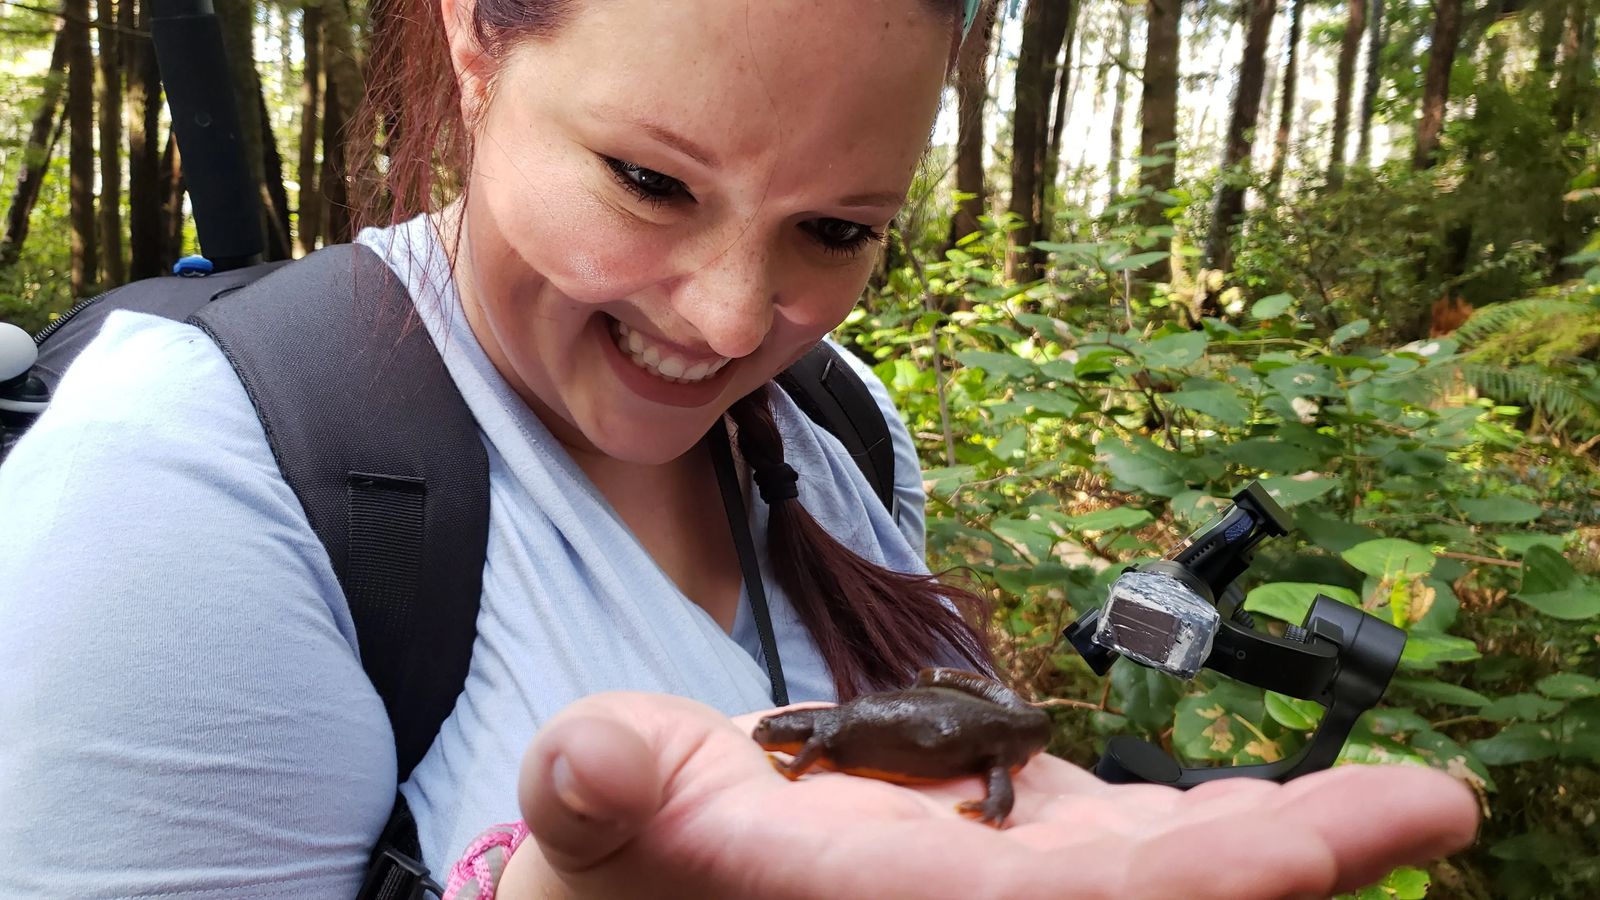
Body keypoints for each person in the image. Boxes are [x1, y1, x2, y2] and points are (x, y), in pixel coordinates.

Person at [0, 0, 1477, 897]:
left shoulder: (837, 426)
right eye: (650, 181)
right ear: (475, 50)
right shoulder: (186, 482)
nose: (728, 322)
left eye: (837, 231)